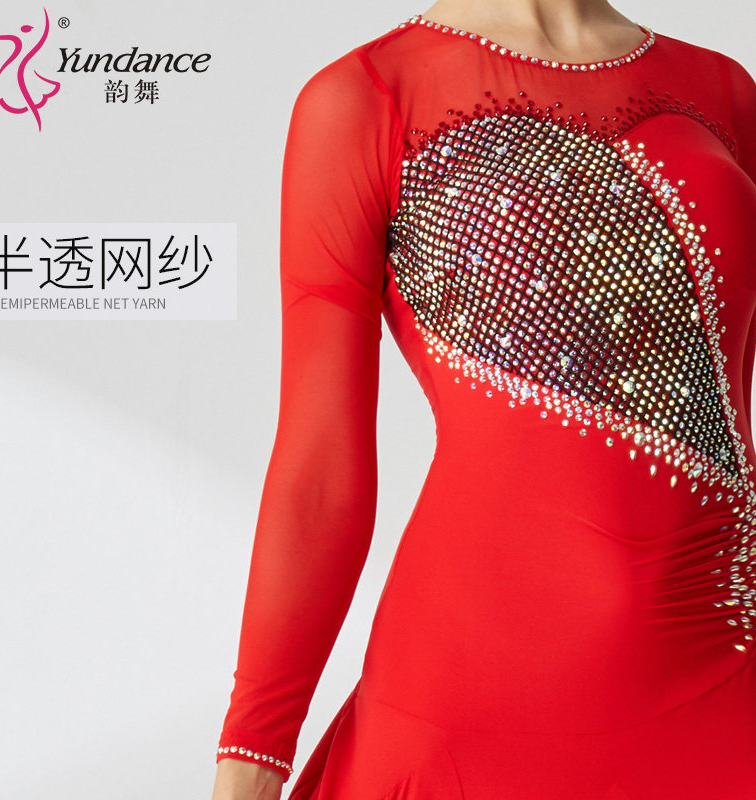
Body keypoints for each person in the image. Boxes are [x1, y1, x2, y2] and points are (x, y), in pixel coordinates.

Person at [212, 0, 756, 797]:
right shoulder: (368, 97)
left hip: (722, 667)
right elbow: (320, 465)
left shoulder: (723, 89)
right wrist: (252, 756)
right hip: (468, 698)